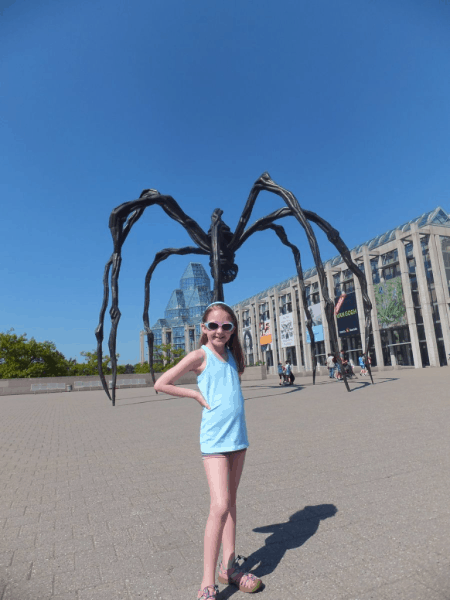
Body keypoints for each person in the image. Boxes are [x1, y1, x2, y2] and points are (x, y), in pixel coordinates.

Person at [154, 301, 262, 600]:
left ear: (233, 330)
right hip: (215, 441)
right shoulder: (199, 355)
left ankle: (229, 567)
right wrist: (194, 395)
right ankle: (206, 582)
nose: (219, 331)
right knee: (219, 505)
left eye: (226, 326)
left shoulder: (232, 355)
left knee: (231, 503)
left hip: (238, 439)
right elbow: (161, 383)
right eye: (213, 325)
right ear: (204, 328)